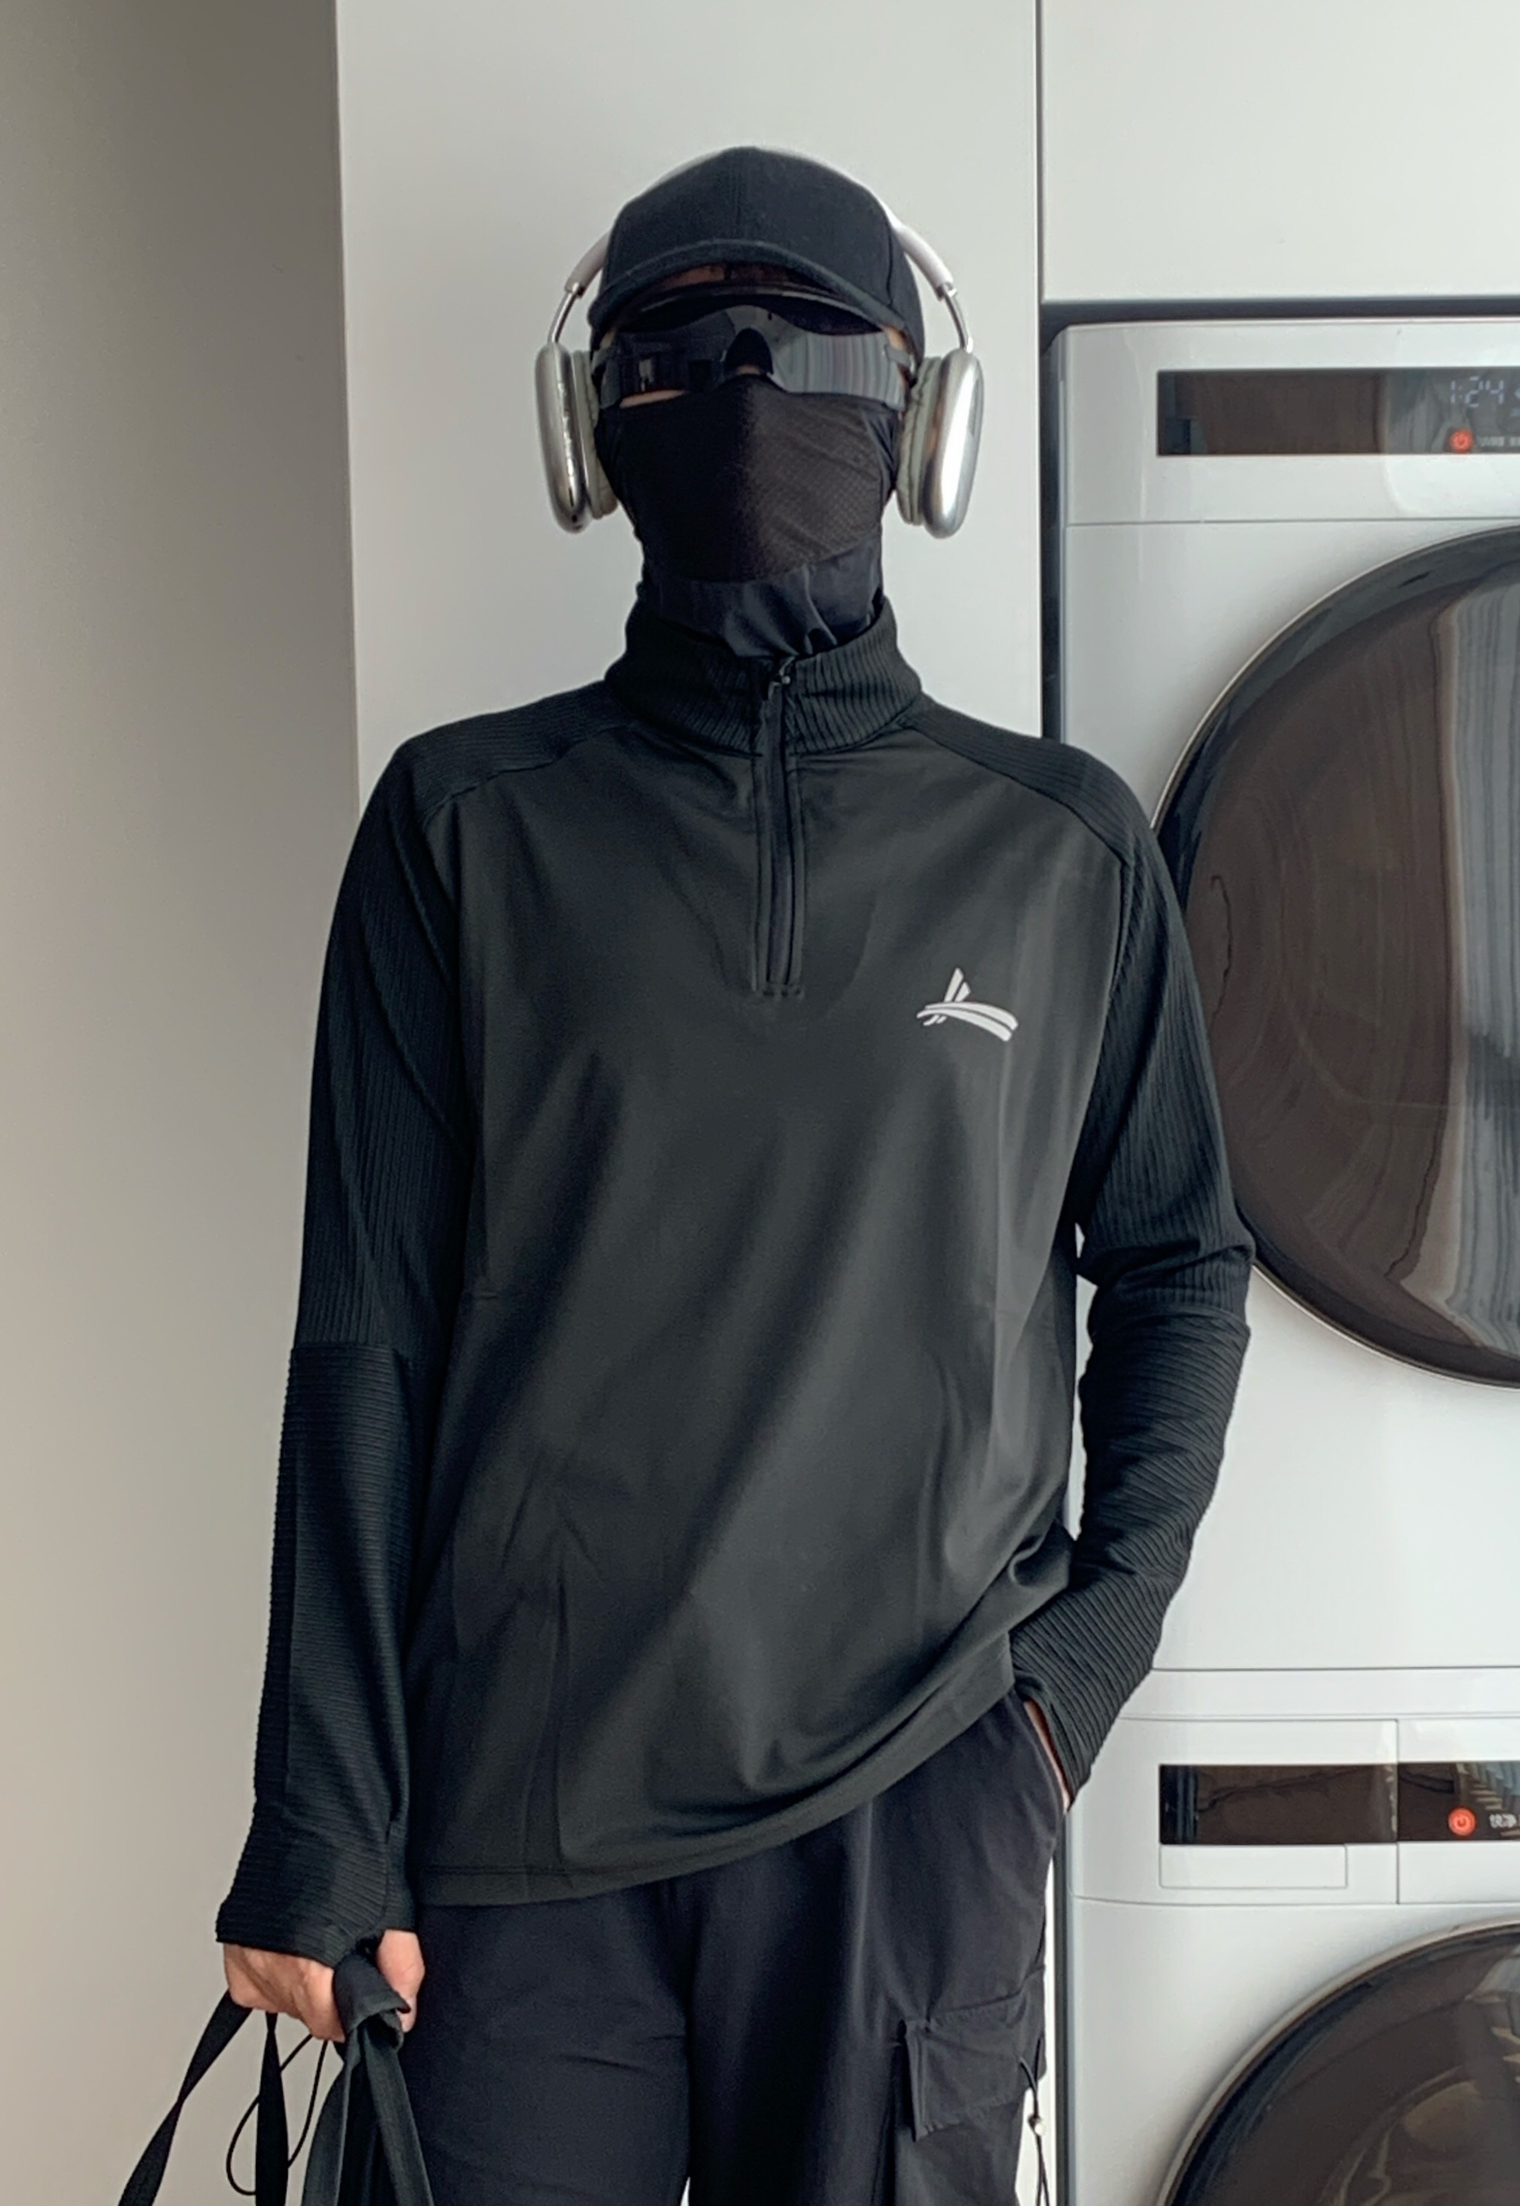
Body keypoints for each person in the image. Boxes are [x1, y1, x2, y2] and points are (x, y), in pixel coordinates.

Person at [216, 146, 1252, 2205]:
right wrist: (322, 1820)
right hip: (514, 1821)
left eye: (808, 349)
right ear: (592, 431)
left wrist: (1064, 1691)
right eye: (679, 355)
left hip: (914, 1801)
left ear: (918, 422)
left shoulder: (1059, 850)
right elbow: (364, 1342)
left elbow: (1180, 1266)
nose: (746, 392)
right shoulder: (464, 825)